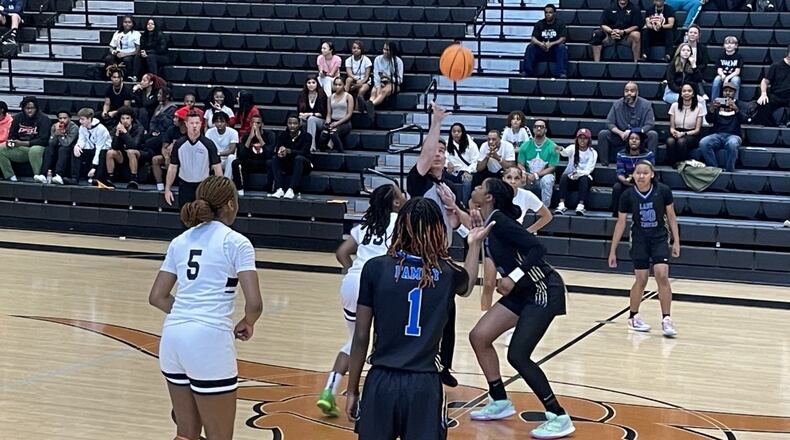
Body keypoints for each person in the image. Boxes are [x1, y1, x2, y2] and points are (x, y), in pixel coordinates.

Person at [345, 197, 488, 440]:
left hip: (381, 380)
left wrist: (352, 390)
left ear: (400, 226)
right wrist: (474, 245)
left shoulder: (375, 268)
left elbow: (360, 336)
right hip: (424, 384)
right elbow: (467, 287)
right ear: (438, 229)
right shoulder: (447, 273)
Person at [148, 175, 263, 440]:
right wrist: (249, 321)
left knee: (185, 434)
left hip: (173, 337)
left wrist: (186, 313)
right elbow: (254, 303)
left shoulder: (180, 241)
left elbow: (157, 296)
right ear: (231, 204)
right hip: (208, 340)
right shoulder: (237, 242)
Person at [466, 178, 574, 439]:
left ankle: (558, 415)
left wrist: (513, 276)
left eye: (481, 187)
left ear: (490, 197)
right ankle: (500, 401)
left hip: (543, 289)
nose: (476, 189)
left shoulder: (501, 220)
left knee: (518, 355)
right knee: (479, 337)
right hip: (523, 292)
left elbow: (538, 247)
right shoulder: (489, 220)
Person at [316, 184, 405, 418]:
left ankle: (329, 391)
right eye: (400, 194)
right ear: (396, 203)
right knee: (380, 342)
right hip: (379, 284)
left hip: (352, 283)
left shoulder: (364, 225)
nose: (404, 196)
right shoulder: (401, 222)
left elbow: (341, 253)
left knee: (353, 340)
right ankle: (371, 397)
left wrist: (351, 271)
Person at [475, 166, 553, 339]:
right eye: (508, 177)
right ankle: (486, 319)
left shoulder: (519, 202)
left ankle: (507, 325)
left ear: (521, 181)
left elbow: (546, 217)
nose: (512, 181)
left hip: (512, 246)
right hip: (494, 243)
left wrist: (528, 232)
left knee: (514, 284)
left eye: (515, 178)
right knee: (488, 283)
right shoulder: (492, 207)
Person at [608, 160, 680, 337]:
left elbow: (671, 216)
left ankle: (666, 319)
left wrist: (676, 241)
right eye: (638, 173)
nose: (641, 176)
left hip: (659, 237)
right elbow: (621, 222)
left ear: (652, 174)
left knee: (662, 274)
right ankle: (633, 316)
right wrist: (612, 250)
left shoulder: (663, 191)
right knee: (641, 279)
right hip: (639, 238)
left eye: (644, 173)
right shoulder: (627, 195)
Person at [164, 111, 223, 207]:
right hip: (185, 186)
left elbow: (217, 167)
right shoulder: (179, 144)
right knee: (185, 218)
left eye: (197, 123)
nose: (194, 126)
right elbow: (172, 167)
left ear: (201, 124)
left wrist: (219, 190)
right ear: (186, 124)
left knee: (202, 218)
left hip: (203, 187)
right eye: (191, 123)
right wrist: (167, 189)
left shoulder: (208, 144)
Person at [597, 82, 658, 165]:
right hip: (622, 136)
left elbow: (650, 124)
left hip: (639, 137)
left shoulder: (646, 105)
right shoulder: (617, 104)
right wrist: (620, 133)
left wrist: (635, 132)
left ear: (637, 92)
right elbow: (609, 123)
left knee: (653, 134)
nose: (629, 93)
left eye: (632, 91)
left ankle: (650, 164)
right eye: (626, 91)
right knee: (603, 134)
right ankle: (604, 163)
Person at [0, 96, 50, 182]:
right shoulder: (17, 118)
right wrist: (11, 142)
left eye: (32, 108)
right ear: (23, 108)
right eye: (27, 108)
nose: (29, 110)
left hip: (38, 147)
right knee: (1, 148)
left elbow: (44, 140)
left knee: (34, 150)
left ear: (36, 108)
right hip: (21, 148)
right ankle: (10, 176)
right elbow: (12, 135)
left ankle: (38, 176)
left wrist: (24, 143)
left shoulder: (44, 119)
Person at [696, 82, 743, 172]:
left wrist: (736, 109)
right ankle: (714, 168)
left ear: (735, 93)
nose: (728, 93)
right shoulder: (717, 104)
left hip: (733, 135)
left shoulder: (739, 104)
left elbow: (745, 119)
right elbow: (709, 120)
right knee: (703, 142)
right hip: (717, 134)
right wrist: (712, 109)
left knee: (732, 144)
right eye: (725, 91)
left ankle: (730, 169)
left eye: (730, 91)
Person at [611, 130, 656, 216]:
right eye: (631, 138)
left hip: (644, 180)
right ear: (628, 141)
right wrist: (625, 181)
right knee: (617, 187)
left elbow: (651, 171)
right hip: (627, 181)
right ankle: (616, 214)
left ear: (641, 141)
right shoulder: (621, 154)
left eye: (637, 139)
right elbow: (620, 172)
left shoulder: (648, 155)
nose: (634, 140)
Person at [517, 119, 559, 208]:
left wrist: (536, 175)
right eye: (536, 127)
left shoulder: (553, 146)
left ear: (546, 130)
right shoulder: (525, 145)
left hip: (544, 176)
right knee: (518, 177)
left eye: (541, 127)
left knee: (547, 180)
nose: (539, 129)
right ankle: (518, 207)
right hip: (528, 176)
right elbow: (520, 164)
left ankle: (545, 208)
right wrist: (524, 174)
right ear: (533, 129)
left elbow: (552, 167)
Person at [268, 114, 312, 199]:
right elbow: (277, 149)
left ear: (299, 124)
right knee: (274, 159)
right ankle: (279, 189)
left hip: (304, 164)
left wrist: (290, 151)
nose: (292, 125)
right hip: (288, 163)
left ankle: (291, 189)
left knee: (298, 158)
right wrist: (280, 152)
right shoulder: (282, 135)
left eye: (295, 123)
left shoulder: (307, 136)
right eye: (290, 123)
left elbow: (304, 152)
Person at [555, 128, 598, 215]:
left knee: (584, 178)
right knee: (564, 176)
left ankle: (581, 205)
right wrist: (561, 149)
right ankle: (561, 204)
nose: (582, 140)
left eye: (585, 138)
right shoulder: (572, 148)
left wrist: (578, 174)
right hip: (572, 177)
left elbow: (589, 169)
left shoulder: (593, 153)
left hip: (584, 178)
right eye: (580, 138)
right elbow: (565, 153)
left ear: (589, 140)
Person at [231, 114, 275, 196]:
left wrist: (259, 138)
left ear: (262, 124)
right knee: (236, 162)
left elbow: (269, 154)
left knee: (272, 162)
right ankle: (240, 189)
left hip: (264, 162)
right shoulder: (246, 136)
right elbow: (242, 155)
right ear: (250, 124)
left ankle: (270, 190)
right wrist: (250, 138)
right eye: (253, 123)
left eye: (258, 123)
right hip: (250, 162)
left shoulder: (270, 135)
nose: (255, 125)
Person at [105, 106, 146, 189]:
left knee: (131, 151)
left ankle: (133, 178)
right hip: (124, 154)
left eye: (127, 118)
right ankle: (110, 177)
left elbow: (134, 145)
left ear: (132, 119)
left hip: (139, 153)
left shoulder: (139, 129)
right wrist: (117, 134)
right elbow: (114, 147)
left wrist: (125, 133)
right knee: (110, 152)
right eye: (123, 118)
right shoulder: (116, 128)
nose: (125, 121)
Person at [523, 4, 568, 78]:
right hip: (542, 50)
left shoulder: (560, 23)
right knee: (530, 47)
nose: (548, 14)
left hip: (554, 51)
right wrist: (541, 44)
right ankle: (527, 71)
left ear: (554, 13)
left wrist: (551, 44)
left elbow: (562, 39)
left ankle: (561, 72)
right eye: (546, 13)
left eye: (550, 12)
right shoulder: (539, 24)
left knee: (562, 48)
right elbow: (533, 38)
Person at [70, 107, 112, 185]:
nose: (80, 121)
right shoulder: (82, 127)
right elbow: (81, 139)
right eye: (80, 119)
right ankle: (74, 178)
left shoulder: (101, 129)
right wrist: (77, 146)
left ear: (89, 119)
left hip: (103, 150)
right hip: (91, 148)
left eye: (82, 119)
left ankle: (97, 179)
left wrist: (94, 167)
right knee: (76, 150)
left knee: (102, 153)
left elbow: (99, 148)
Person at [666, 83, 705, 165]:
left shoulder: (699, 107)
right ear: (681, 93)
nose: (686, 93)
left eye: (689, 91)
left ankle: (682, 163)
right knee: (670, 141)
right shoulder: (674, 106)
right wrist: (674, 132)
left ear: (693, 93)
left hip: (691, 134)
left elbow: (697, 130)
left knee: (681, 141)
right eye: (684, 91)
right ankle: (672, 163)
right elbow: (672, 127)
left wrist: (683, 134)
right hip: (677, 131)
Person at [366, 41, 404, 119]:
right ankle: (369, 105)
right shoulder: (377, 59)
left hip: (393, 84)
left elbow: (400, 80)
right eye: (384, 49)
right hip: (381, 82)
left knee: (384, 91)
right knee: (373, 91)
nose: (385, 52)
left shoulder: (398, 61)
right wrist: (378, 86)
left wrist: (389, 78)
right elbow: (376, 75)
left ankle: (369, 105)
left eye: (387, 50)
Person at [41, 110, 79, 185]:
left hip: (70, 148)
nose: (62, 120)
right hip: (58, 146)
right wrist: (55, 134)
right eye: (60, 118)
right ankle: (44, 174)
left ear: (69, 118)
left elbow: (67, 143)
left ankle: (59, 175)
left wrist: (61, 135)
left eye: (65, 118)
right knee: (49, 148)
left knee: (63, 149)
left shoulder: (74, 127)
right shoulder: (55, 126)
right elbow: (51, 142)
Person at [755, 45, 790, 128]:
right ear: (788, 53)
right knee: (762, 104)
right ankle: (773, 125)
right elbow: (765, 81)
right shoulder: (776, 66)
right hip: (777, 95)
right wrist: (763, 94)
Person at [445, 122, 479, 204]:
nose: (456, 133)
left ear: (462, 132)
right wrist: (447, 163)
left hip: (465, 171)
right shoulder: (447, 143)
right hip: (451, 171)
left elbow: (476, 161)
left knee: (467, 181)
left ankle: (464, 204)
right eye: (454, 131)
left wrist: (468, 171)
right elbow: (444, 157)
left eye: (458, 131)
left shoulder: (471, 145)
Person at [318, 77, 353, 152]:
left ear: (343, 85)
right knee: (323, 134)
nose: (337, 87)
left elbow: (349, 114)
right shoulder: (330, 97)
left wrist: (337, 123)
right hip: (333, 121)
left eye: (339, 85)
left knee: (333, 133)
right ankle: (323, 153)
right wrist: (328, 123)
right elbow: (329, 113)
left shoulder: (348, 97)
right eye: (335, 84)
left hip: (344, 122)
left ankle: (341, 152)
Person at [297, 75, 329, 151]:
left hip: (321, 121)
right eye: (309, 83)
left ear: (317, 83)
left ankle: (311, 145)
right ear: (306, 84)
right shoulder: (302, 95)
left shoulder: (322, 95)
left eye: (313, 82)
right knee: (296, 121)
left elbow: (321, 114)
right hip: (306, 120)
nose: (311, 85)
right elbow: (300, 111)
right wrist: (301, 115)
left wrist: (309, 114)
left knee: (311, 119)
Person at [205, 112, 239, 179]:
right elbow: (207, 148)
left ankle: (226, 181)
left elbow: (232, 150)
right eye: (217, 122)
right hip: (214, 159)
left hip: (226, 158)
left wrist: (218, 153)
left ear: (226, 122)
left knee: (231, 157)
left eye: (222, 122)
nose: (219, 124)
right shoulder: (209, 132)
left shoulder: (233, 132)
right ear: (214, 123)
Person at [710, 36, 742, 101]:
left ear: (736, 46)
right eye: (727, 43)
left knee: (735, 80)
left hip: (733, 76)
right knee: (717, 79)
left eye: (732, 43)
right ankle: (714, 101)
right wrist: (722, 75)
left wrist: (728, 78)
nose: (729, 45)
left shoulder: (738, 57)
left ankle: (734, 101)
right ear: (724, 45)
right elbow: (719, 69)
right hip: (723, 75)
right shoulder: (721, 56)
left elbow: (737, 71)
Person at [344, 40, 373, 108]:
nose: (356, 50)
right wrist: (356, 80)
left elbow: (366, 76)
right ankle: (344, 101)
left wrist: (360, 83)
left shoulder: (366, 60)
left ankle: (357, 109)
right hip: (354, 80)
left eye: (358, 48)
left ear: (361, 50)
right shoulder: (348, 60)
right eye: (354, 48)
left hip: (364, 81)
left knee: (362, 90)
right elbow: (349, 73)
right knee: (348, 80)